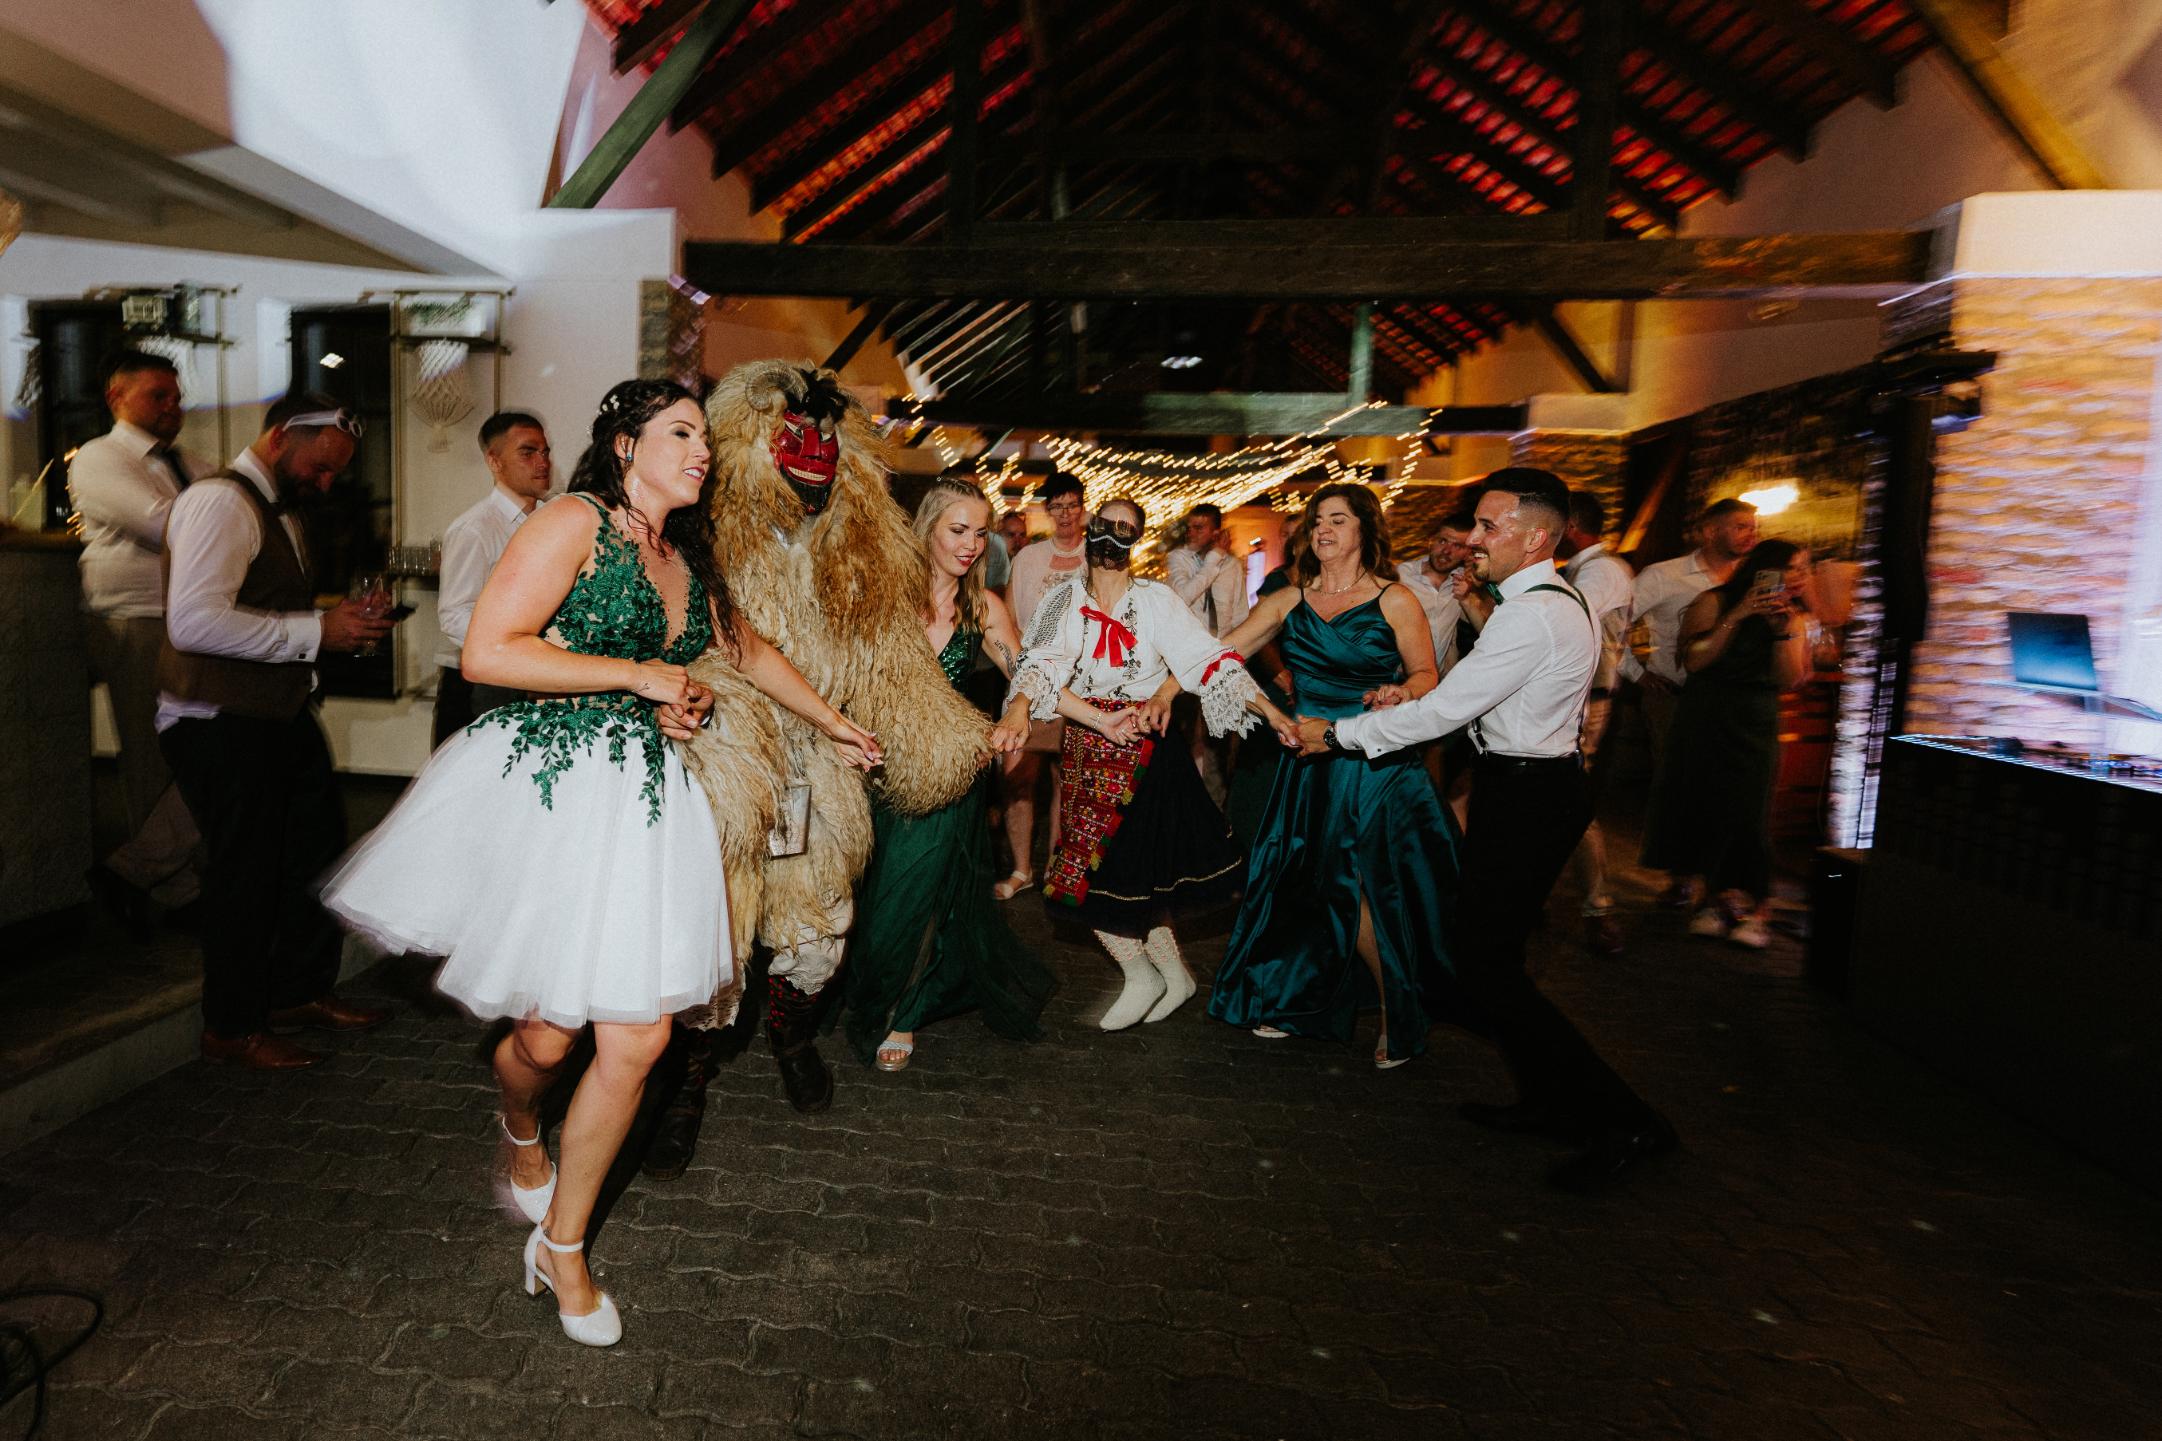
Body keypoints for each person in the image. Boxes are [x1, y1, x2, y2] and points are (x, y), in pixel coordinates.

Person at [320, 380, 879, 1347]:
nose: (702, 450)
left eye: (705, 438)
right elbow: (490, 651)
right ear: (625, 444)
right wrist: (638, 676)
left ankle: (564, 1246)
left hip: (647, 802)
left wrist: (834, 724)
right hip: (555, 792)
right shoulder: (573, 522)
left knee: (640, 1038)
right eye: (681, 432)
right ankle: (519, 1122)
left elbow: (747, 649)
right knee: (546, 1041)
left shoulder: (685, 554)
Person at [642, 361, 988, 1173]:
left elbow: (889, 655)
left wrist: (938, 733)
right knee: (714, 930)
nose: (812, 455)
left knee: (820, 930)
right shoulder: (697, 532)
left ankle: (792, 1037)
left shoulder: (862, 547)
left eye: (827, 439)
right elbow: (663, 634)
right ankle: (686, 1084)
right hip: (720, 754)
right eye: (792, 436)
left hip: (817, 766)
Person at [1292, 468, 1674, 1193]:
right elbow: (1479, 699)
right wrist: (1404, 698)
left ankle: (1625, 1119)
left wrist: (1339, 734)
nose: (1473, 538)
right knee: (1491, 958)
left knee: (1490, 967)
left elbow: (1448, 709)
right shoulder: (1536, 601)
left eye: (1489, 526)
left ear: (1535, 537)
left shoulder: (1534, 613)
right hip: (1521, 786)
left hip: (1530, 795)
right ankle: (1547, 1100)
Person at [156, 393, 397, 1070]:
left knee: (314, 850)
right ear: (282, 437)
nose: (327, 482)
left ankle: (295, 992)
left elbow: (262, 603)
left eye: (335, 473)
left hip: (275, 712)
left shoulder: (275, 507)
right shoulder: (220, 502)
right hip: (217, 718)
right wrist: (317, 630)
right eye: (320, 467)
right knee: (246, 873)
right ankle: (231, 1027)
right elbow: (193, 623)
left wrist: (336, 619)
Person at [999, 496, 1286, 1031]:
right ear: (1091, 529)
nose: (1112, 535)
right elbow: (1038, 665)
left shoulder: (1155, 600)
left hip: (1147, 754)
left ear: (1136, 540)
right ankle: (1167, 975)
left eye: (1125, 529)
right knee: (1100, 874)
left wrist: (1269, 711)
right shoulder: (1063, 600)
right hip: (1088, 748)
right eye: (1105, 524)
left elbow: (1206, 658)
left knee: (1125, 875)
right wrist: (1019, 706)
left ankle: (1145, 976)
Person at [1207, 483, 1460, 1067]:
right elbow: (1218, 656)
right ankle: (1299, 1000)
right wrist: (1176, 689)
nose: (1323, 529)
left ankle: (1399, 1010)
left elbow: (1427, 675)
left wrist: (1401, 692)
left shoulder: (1395, 599)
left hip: (1370, 762)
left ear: (1365, 530)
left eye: (1338, 519)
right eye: (1317, 520)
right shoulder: (1288, 600)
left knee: (1362, 886)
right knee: (1308, 882)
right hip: (1307, 762)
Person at [839, 478, 1056, 1071]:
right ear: (926, 529)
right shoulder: (882, 593)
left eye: (980, 534)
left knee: (918, 888)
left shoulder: (982, 607)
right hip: (878, 767)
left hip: (948, 776)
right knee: (878, 892)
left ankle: (901, 1012)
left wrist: (1017, 708)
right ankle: (881, 986)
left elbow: (1028, 671)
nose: (970, 545)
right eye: (958, 530)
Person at [68, 349, 208, 928]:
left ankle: (139, 870)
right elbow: (168, 525)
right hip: (135, 618)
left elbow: (239, 516)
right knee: (152, 755)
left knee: (209, 750)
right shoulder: (100, 457)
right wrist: (220, 522)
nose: (173, 407)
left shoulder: (188, 461)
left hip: (192, 621)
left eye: (176, 397)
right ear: (116, 397)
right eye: (158, 396)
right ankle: (172, 892)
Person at [1640, 539, 1812, 950]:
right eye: (1794, 567)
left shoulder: (1792, 618)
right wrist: (1738, 615)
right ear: (1766, 569)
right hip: (1705, 715)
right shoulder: (1713, 601)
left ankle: (1756, 905)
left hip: (1755, 719)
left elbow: (1789, 680)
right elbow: (1695, 660)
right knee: (1703, 805)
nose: (1801, 577)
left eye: (1806, 569)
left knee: (1749, 811)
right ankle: (1714, 900)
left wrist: (1781, 633)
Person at [1626, 497, 1756, 907]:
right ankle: (1682, 875)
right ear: (1710, 531)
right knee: (1681, 787)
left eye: (1753, 527)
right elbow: (1613, 620)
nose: (1751, 534)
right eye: (1740, 526)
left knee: (1727, 788)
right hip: (1675, 695)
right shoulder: (1664, 575)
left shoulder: (1753, 579)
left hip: (1731, 700)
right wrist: (1636, 672)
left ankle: (1719, 877)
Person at [993, 471, 1088, 900]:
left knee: (1068, 780)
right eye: (1057, 506)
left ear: (1082, 508)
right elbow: (1009, 619)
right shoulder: (1029, 557)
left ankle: (1056, 867)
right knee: (1017, 775)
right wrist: (1020, 675)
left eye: (1072, 505)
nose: (1065, 514)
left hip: (1079, 683)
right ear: (1047, 510)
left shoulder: (1095, 555)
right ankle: (1021, 869)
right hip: (1029, 680)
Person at [433, 411, 553, 744]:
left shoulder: (554, 518)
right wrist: (515, 649)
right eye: (528, 452)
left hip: (540, 677)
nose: (542, 462)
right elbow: (454, 614)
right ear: (494, 461)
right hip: (479, 684)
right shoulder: (474, 529)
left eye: (545, 452)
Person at [1561, 492, 1636, 957]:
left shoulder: (1602, 571)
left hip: (1585, 703)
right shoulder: (1582, 570)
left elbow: (1564, 624)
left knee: (1572, 799)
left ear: (1569, 525)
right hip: (1576, 700)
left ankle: (1598, 907)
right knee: (1560, 799)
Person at [1166, 503, 1251, 804]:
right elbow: (1183, 596)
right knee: (1183, 737)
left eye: (1199, 527)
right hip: (1186, 661)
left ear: (1216, 531)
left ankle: (1215, 810)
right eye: (1189, 526)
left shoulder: (1232, 566)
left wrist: (1238, 662)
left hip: (1220, 662)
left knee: (1219, 744)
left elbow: (1239, 615)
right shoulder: (1179, 558)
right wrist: (1213, 559)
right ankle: (1180, 806)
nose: (1191, 532)